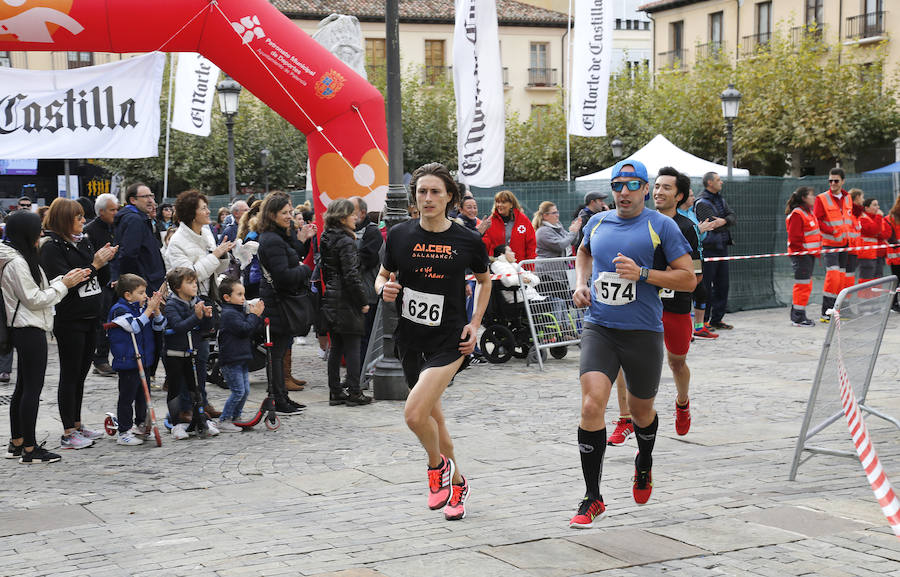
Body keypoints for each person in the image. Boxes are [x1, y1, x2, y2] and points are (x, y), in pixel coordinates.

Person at [569, 159, 694, 528]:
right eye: (617, 185)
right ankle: (593, 497)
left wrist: (643, 274)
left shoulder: (662, 226)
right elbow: (584, 251)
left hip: (643, 332)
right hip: (600, 327)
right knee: (592, 405)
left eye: (632, 185)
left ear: (644, 188)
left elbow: (688, 279)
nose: (623, 192)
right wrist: (581, 282)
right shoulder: (597, 221)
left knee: (641, 412)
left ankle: (644, 461)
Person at [376, 162, 491, 521]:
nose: (427, 198)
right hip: (411, 339)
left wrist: (475, 323)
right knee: (435, 422)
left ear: (450, 197)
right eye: (421, 191)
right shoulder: (398, 236)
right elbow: (380, 278)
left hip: (449, 341)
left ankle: (435, 467)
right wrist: (385, 290)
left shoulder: (468, 240)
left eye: (435, 192)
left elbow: (485, 281)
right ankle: (457, 482)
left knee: (414, 414)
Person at [1, 211, 90, 463]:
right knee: (31, 389)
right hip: (28, 327)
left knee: (22, 388)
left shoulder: (19, 256)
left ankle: (17, 442)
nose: (41, 233)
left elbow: (36, 290)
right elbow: (35, 298)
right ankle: (29, 449)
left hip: (27, 326)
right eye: (37, 229)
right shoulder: (16, 262)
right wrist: (65, 285)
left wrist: (63, 280)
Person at [40, 198, 118, 449]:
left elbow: (97, 276)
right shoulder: (52, 247)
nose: (84, 222)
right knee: (70, 374)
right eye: (78, 218)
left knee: (82, 373)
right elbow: (68, 282)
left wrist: (103, 261)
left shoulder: (82, 240)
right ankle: (67, 431)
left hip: (91, 314)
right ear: (65, 219)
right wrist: (94, 264)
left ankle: (77, 422)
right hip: (70, 318)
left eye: (83, 217)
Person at [165, 190, 234, 418]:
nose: (208, 211)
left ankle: (201, 400)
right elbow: (188, 276)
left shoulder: (206, 232)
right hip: (186, 302)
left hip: (208, 297)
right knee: (189, 355)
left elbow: (214, 268)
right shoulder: (177, 242)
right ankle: (187, 406)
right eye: (203, 208)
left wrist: (224, 256)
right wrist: (215, 255)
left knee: (203, 354)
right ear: (191, 214)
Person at [257, 191, 317, 414]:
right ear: (272, 214)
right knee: (276, 354)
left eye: (290, 211)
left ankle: (281, 396)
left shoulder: (279, 236)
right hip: (277, 304)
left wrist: (301, 241)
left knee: (279, 353)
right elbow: (283, 276)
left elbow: (291, 256)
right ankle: (277, 398)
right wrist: (305, 269)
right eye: (285, 212)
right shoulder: (272, 240)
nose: (290, 216)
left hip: (279, 303)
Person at [653, 167, 702, 436]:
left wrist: (651, 276)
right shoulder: (641, 222)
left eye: (667, 188)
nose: (659, 191)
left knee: (676, 363)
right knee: (633, 361)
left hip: (675, 306)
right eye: (657, 186)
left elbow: (695, 276)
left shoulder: (687, 228)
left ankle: (682, 403)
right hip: (645, 305)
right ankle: (628, 416)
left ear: (679, 195)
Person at [320, 199, 373, 407]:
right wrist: (362, 300)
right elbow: (351, 275)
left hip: (331, 296)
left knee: (336, 347)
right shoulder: (346, 240)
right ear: (343, 217)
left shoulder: (326, 237)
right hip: (346, 299)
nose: (356, 217)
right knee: (352, 346)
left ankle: (335, 391)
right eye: (352, 214)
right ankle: (354, 391)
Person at [108, 273, 166, 446]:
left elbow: (160, 326)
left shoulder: (141, 309)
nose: (145, 296)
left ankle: (140, 423)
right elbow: (133, 327)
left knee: (143, 394)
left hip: (144, 360)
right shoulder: (120, 309)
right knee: (127, 397)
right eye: (141, 292)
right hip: (128, 361)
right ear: (128, 295)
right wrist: (148, 310)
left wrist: (155, 311)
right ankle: (124, 430)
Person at [163, 267, 218, 440]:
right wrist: (196, 316)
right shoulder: (172, 305)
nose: (195, 285)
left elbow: (205, 329)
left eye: (195, 282)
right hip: (175, 354)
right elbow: (179, 327)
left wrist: (207, 317)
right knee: (176, 390)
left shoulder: (197, 301)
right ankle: (176, 423)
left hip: (192, 352)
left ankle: (200, 417)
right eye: (189, 282)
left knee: (197, 387)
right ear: (177, 287)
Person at [216, 278, 264, 431]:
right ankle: (224, 419)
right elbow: (244, 329)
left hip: (241, 357)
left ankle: (236, 416)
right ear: (227, 297)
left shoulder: (237, 311)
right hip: (231, 359)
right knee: (238, 391)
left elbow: (250, 328)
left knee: (245, 390)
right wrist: (254, 315)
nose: (243, 298)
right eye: (239, 294)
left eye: (243, 294)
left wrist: (255, 316)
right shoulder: (229, 314)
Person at [695, 172, 736, 330]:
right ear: (710, 183)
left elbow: (732, 217)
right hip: (709, 249)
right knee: (706, 286)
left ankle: (717, 319)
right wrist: (724, 221)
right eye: (718, 180)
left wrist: (724, 220)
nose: (721, 182)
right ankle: (704, 319)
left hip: (723, 247)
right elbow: (711, 224)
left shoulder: (721, 200)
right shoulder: (701, 202)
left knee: (723, 285)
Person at [349, 196, 383, 380]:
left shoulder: (372, 232)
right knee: (352, 339)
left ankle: (361, 374)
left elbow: (365, 260)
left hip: (368, 294)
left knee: (365, 338)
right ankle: (355, 375)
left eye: (351, 210)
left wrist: (346, 258)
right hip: (350, 294)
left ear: (362, 213)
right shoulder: (345, 231)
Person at [86, 193, 120, 376]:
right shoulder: (90, 230)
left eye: (117, 209)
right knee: (103, 321)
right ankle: (99, 359)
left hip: (118, 280)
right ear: (101, 212)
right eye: (112, 210)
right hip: (101, 282)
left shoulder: (117, 226)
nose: (116, 213)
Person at [677, 189, 718, 339]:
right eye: (692, 195)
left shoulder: (691, 213)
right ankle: (685, 329)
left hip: (697, 256)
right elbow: (682, 235)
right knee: (686, 292)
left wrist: (703, 229)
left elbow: (699, 234)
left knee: (701, 291)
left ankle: (699, 327)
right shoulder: (676, 215)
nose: (694, 198)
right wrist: (698, 230)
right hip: (684, 257)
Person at [813, 168, 852, 322]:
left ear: (843, 181)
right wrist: (832, 230)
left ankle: (837, 312)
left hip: (845, 243)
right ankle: (826, 313)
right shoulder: (821, 198)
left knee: (841, 279)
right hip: (830, 243)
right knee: (833, 277)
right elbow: (817, 220)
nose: (833, 184)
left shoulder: (847, 198)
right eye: (830, 181)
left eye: (836, 181)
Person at [113, 183, 166, 294]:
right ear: (133, 200)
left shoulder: (137, 218)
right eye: (146, 197)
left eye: (151, 196)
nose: (151, 200)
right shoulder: (134, 220)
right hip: (143, 284)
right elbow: (128, 254)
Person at [784, 187, 820, 327]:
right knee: (802, 285)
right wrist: (801, 253)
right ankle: (798, 318)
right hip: (802, 256)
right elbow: (795, 239)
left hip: (808, 255)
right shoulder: (798, 214)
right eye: (811, 195)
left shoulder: (808, 212)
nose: (814, 197)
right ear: (804, 198)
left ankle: (799, 314)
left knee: (805, 285)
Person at [480, 190, 536, 267]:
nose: (499, 205)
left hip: (519, 266)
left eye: (503, 202)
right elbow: (486, 245)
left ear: (511, 204)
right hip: (498, 266)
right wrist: (480, 234)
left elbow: (531, 245)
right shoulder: (491, 221)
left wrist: (530, 267)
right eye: (497, 202)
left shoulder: (523, 220)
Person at [857, 198, 887, 284]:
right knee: (866, 280)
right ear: (866, 208)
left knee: (878, 280)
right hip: (867, 254)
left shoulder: (877, 219)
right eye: (874, 205)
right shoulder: (863, 218)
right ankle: (864, 297)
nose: (878, 207)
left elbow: (885, 234)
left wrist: (877, 231)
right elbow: (875, 231)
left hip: (878, 254)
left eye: (877, 205)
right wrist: (878, 219)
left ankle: (876, 297)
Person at [846, 188, 865, 288]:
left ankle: (846, 300)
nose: (863, 200)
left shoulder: (857, 214)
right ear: (857, 197)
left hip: (854, 250)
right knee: (848, 276)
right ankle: (844, 300)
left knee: (850, 276)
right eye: (862, 197)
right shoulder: (851, 213)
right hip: (850, 250)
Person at [884, 196, 900, 312]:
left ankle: (893, 303)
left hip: (895, 255)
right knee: (896, 281)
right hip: (896, 255)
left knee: (896, 281)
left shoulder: (891, 217)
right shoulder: (891, 218)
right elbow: (890, 238)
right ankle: (893, 304)